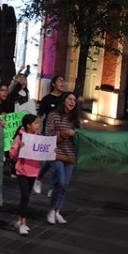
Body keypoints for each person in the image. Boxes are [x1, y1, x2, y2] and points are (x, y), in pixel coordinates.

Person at [45, 92, 80, 225]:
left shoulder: (75, 119)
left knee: (65, 184)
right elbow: (48, 134)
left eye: (74, 100)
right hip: (57, 153)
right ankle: (51, 210)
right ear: (64, 101)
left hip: (70, 154)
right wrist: (63, 134)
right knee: (59, 181)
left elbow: (79, 137)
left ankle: (57, 211)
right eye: (70, 99)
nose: (72, 102)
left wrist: (76, 135)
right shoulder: (53, 115)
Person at [33, 75, 66, 194]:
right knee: (51, 159)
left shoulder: (65, 98)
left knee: (58, 160)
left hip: (63, 133)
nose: (62, 83)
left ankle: (52, 187)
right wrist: (36, 129)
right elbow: (39, 115)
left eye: (63, 81)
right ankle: (39, 178)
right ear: (53, 84)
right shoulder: (47, 99)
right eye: (59, 80)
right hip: (49, 133)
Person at [10, 114, 42, 236]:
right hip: (22, 171)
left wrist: (51, 150)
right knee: (25, 196)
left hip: (34, 170)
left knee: (27, 196)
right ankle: (23, 223)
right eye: (36, 123)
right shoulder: (21, 136)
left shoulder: (39, 137)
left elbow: (42, 152)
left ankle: (19, 220)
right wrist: (18, 147)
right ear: (28, 125)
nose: (38, 126)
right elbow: (13, 156)